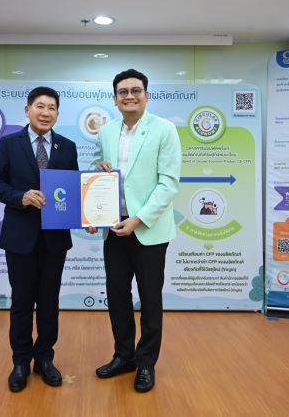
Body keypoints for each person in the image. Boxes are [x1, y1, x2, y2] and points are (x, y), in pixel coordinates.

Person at [88, 69, 181, 392]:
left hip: (148, 229)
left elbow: (168, 184)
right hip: (114, 228)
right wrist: (94, 206)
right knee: (117, 296)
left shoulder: (165, 130)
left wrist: (138, 219)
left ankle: (146, 363)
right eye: (123, 92)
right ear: (115, 99)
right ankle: (124, 356)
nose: (129, 96)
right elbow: (98, 172)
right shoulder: (106, 132)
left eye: (136, 90)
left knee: (150, 299)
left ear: (146, 95)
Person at [0, 86, 79, 392]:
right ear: (27, 110)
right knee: (22, 302)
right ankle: (21, 361)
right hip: (20, 236)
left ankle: (45, 358)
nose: (45, 112)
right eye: (40, 106)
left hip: (55, 238)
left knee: (50, 302)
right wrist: (21, 197)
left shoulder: (67, 147)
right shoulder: (9, 143)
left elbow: (74, 190)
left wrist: (89, 214)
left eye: (52, 108)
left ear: (57, 114)